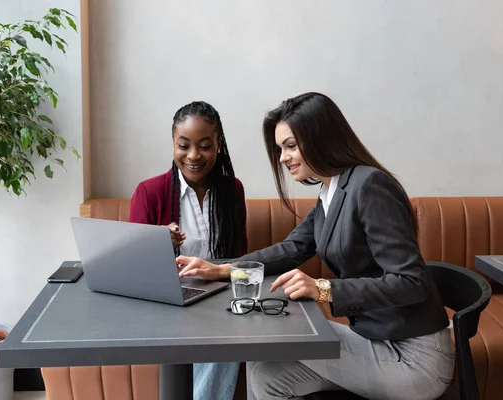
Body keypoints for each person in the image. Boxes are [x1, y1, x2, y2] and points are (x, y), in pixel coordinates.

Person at [176, 93, 454, 400]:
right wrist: (222, 269)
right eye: (281, 148)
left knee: (272, 335)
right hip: (378, 340)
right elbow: (293, 248)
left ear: (321, 138)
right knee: (266, 372)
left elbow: (411, 283)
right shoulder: (331, 191)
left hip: (413, 359)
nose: (283, 157)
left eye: (291, 146)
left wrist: (324, 289)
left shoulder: (370, 186)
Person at [129, 101, 247, 400]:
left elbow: (239, 259)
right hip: (166, 302)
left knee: (226, 337)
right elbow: (131, 270)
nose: (194, 156)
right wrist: (156, 245)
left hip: (219, 298)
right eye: (184, 145)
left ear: (219, 145)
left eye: (205, 145)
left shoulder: (232, 190)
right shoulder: (149, 192)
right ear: (173, 144)